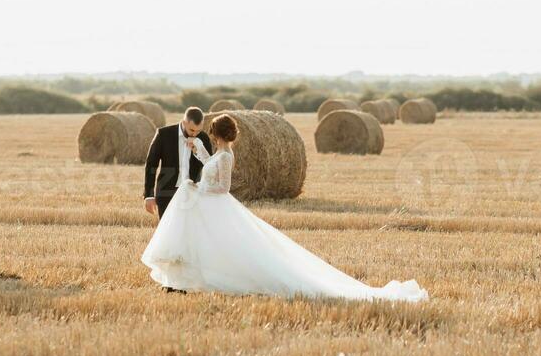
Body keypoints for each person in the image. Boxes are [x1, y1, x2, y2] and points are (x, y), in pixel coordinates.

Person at [141, 114, 428, 301]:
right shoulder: (220, 153)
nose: (209, 137)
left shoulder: (226, 157)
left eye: (211, 134)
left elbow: (223, 187)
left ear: (217, 135)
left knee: (228, 247)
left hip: (214, 202)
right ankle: (185, 281)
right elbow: (210, 165)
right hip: (208, 203)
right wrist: (200, 154)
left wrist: (199, 188)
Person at [143, 106, 212, 219]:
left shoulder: (203, 138)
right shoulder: (163, 134)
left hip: (193, 193)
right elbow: (151, 164)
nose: (195, 134)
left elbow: (209, 166)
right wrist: (149, 195)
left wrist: (198, 151)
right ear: (184, 122)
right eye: (192, 130)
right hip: (166, 193)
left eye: (198, 131)